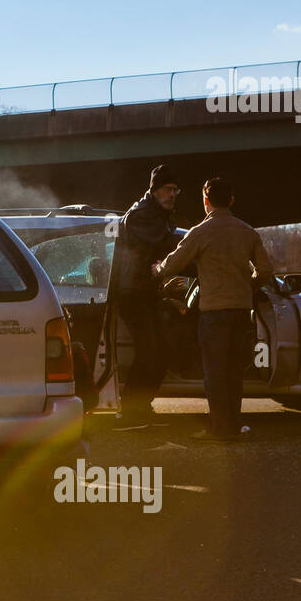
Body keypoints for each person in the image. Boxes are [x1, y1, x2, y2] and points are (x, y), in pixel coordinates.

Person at [153, 177, 275, 442]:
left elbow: (173, 264)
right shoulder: (247, 232)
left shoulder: (200, 232)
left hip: (213, 312)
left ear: (206, 201)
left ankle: (220, 429)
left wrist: (158, 269)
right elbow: (265, 270)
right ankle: (234, 424)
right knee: (234, 371)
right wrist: (248, 287)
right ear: (231, 200)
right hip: (242, 310)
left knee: (215, 372)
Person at [111, 164, 182, 422]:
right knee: (151, 348)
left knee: (163, 348)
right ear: (154, 190)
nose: (173, 194)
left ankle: (141, 404)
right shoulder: (142, 215)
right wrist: (197, 245)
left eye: (176, 190)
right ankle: (131, 408)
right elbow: (166, 245)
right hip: (133, 292)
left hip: (146, 291)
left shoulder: (157, 215)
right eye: (168, 189)